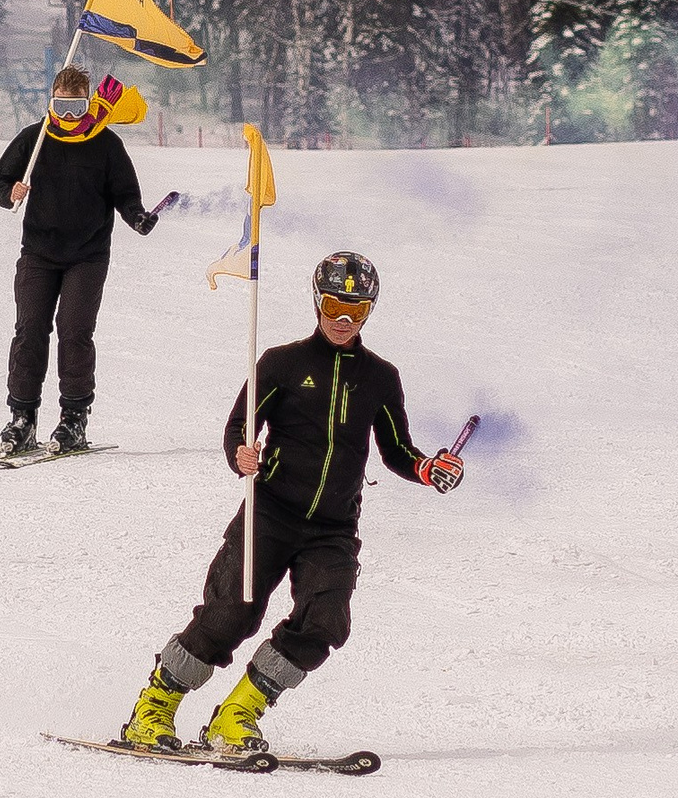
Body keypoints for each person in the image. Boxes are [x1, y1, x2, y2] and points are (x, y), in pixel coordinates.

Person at [115, 253, 466, 755]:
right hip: (271, 514)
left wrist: (428, 468)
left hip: (333, 528)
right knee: (231, 613)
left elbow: (397, 450)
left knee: (325, 622)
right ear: (317, 302)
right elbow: (239, 426)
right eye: (333, 306)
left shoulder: (380, 377)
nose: (343, 320)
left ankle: (236, 715)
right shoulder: (281, 363)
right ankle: (153, 708)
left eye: (357, 310)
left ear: (370, 311)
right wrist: (240, 454)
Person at [0, 65, 159, 455]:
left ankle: (73, 419)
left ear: (89, 103)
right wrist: (9, 192)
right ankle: (22, 419)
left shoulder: (106, 143)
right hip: (39, 253)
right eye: (61, 106)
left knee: (74, 330)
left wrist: (137, 217)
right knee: (29, 330)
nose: (68, 116)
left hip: (87, 256)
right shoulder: (34, 139)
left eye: (76, 107)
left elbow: (126, 194)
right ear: (50, 103)